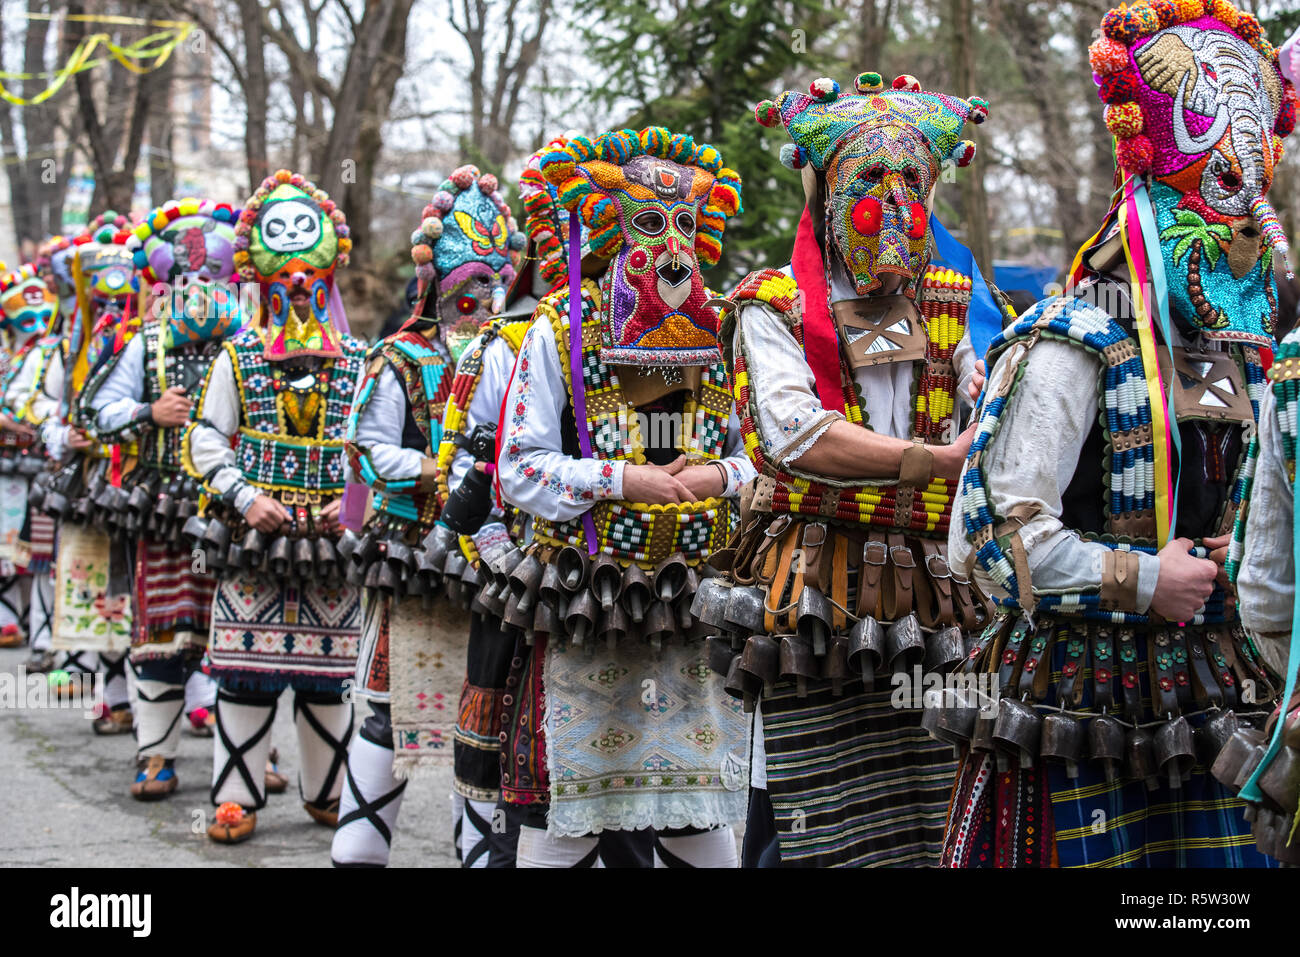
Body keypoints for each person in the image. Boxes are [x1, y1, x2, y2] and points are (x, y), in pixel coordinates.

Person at [940, 0, 1294, 867]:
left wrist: (1234, 550)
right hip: (1078, 700)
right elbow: (983, 538)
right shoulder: (1074, 336)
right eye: (1219, 210)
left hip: (1214, 690)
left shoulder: (1248, 352)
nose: (1245, 241)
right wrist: (1140, 576)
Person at [712, 72, 995, 867]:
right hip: (817, 579)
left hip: (937, 583)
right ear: (831, 193)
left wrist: (991, 394)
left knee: (934, 791)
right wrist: (931, 461)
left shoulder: (944, 295)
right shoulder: (774, 303)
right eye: (873, 181)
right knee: (812, 795)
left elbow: (971, 389)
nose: (897, 201)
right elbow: (797, 437)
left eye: (912, 182)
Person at [495, 127, 753, 867]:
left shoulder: (721, 332)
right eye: (649, 222)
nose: (671, 244)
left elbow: (755, 457)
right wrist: (615, 479)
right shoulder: (553, 331)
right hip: (587, 596)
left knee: (700, 800)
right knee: (567, 804)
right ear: (610, 227)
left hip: (694, 599)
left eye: (686, 224)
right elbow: (518, 468)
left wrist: (721, 476)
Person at [331, 163, 523, 867]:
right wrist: (435, 471)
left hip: (490, 563)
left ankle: (476, 852)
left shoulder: (517, 349)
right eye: (471, 285)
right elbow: (367, 448)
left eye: (494, 282)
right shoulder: (399, 356)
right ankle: (359, 849)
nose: (483, 297)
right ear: (437, 287)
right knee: (389, 703)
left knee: (482, 711)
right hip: (413, 554)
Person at [183, 170, 366, 844]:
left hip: (330, 544)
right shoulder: (239, 357)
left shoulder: (358, 360)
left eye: (308, 277)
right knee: (243, 674)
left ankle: (327, 789)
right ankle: (236, 795)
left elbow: (373, 444)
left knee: (328, 677)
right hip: (253, 538)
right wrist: (245, 495)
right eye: (282, 276)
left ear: (327, 274)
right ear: (260, 276)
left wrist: (352, 508)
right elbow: (204, 436)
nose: (296, 288)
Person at [79, 198, 244, 799]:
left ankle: (249, 764)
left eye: (209, 277)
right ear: (165, 281)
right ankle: (155, 756)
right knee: (158, 637)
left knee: (236, 640)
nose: (197, 288)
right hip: (163, 508)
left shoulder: (251, 347)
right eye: (185, 279)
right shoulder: (143, 346)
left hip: (232, 513)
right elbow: (92, 410)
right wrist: (149, 411)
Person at [45, 213, 141, 734]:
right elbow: (51, 413)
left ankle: (193, 698)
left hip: (145, 482)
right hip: (91, 482)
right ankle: (115, 694)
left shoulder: (152, 341)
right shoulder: (73, 345)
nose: (112, 309)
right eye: (102, 299)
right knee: (105, 585)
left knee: (152, 587)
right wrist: (63, 437)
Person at [0, 264, 59, 650]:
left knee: (33, 548)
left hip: (41, 462)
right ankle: (8, 618)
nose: (36, 326)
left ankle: (25, 621)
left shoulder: (52, 351)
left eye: (42, 316)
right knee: (5, 543)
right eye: (27, 318)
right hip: (7, 464)